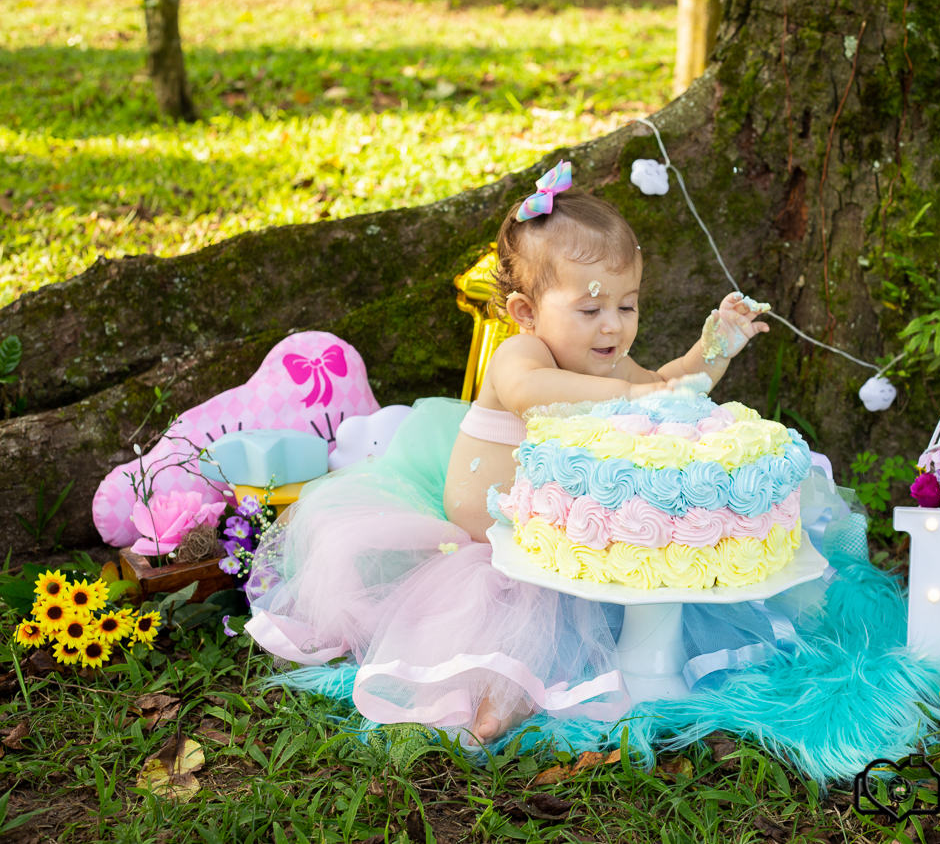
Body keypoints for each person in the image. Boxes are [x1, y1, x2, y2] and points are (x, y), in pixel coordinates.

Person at [244, 162, 810, 744]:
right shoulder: (522, 355)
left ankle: (552, 683)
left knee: (593, 599)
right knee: (510, 614)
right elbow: (531, 395)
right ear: (526, 312)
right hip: (482, 538)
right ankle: (494, 696)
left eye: (628, 305)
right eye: (590, 310)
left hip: (555, 534)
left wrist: (713, 349)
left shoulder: (613, 365)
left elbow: (667, 387)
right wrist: (624, 393)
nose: (612, 325)